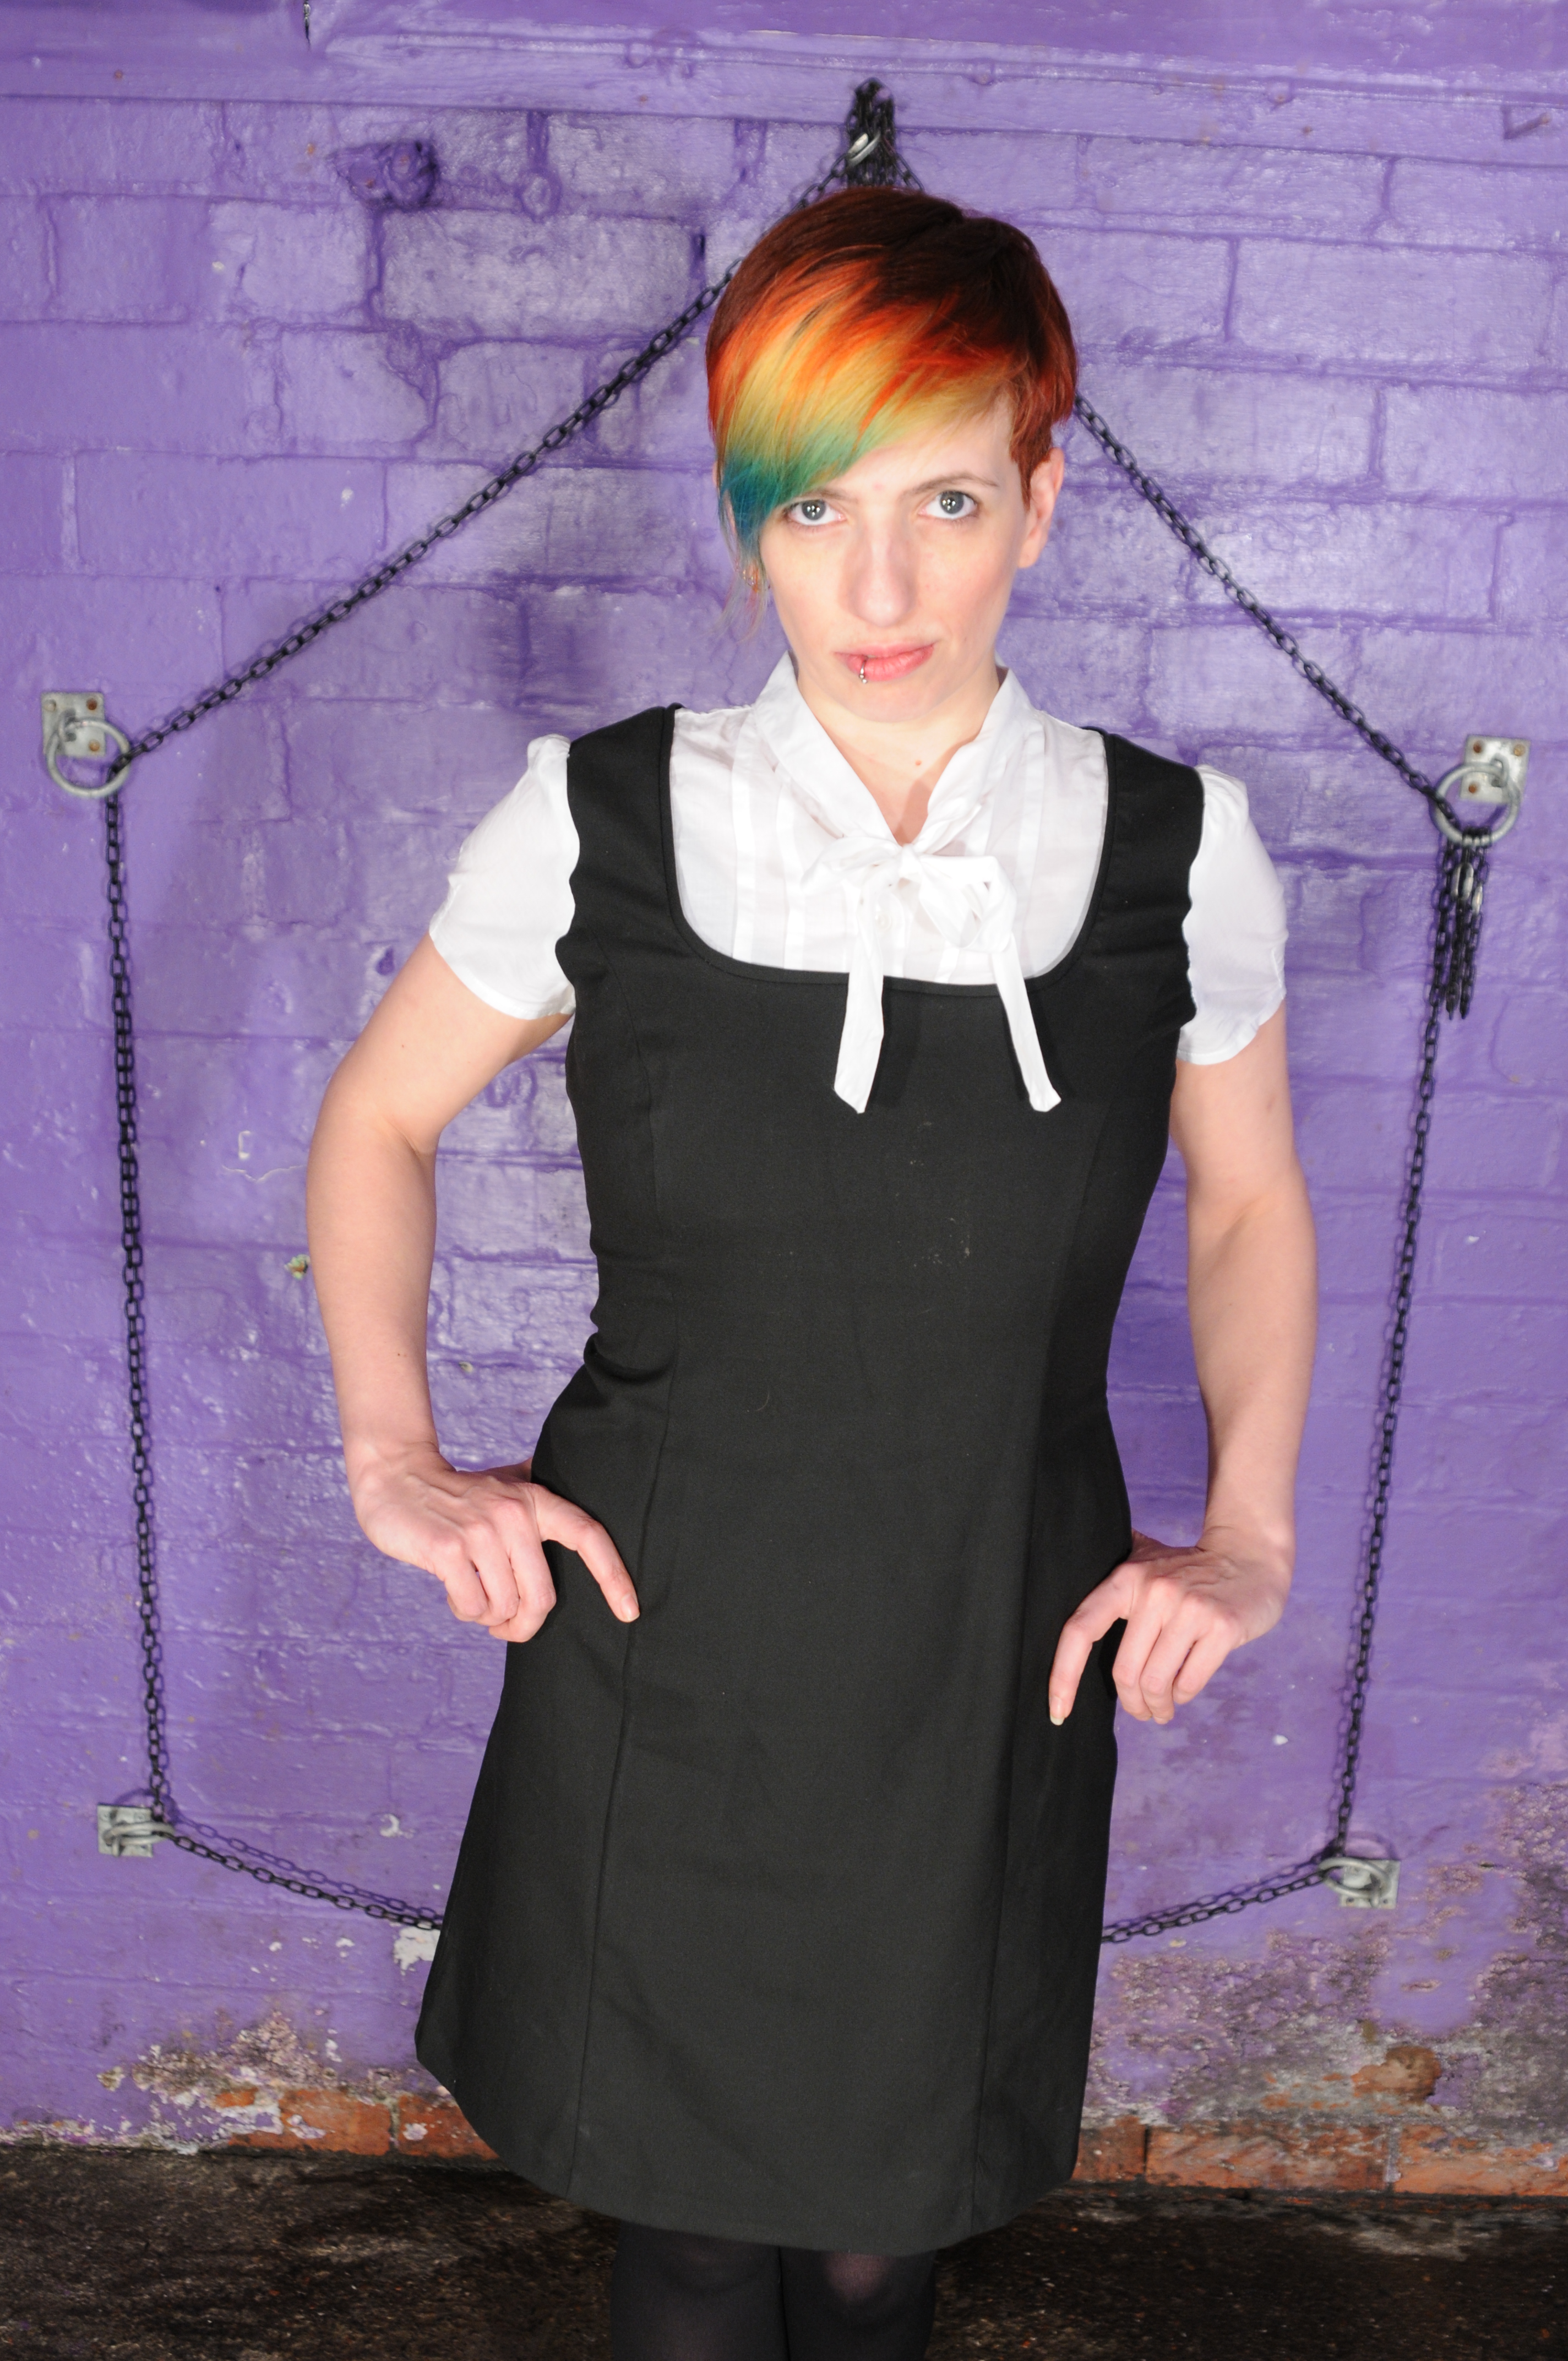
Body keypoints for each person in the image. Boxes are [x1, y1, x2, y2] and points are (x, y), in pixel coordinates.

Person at [307, 188, 1316, 2360]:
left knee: (881, 2245)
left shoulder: (1174, 848)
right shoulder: (602, 818)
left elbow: (1245, 1203)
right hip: (665, 1649)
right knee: (685, 2237)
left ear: (1038, 500)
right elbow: (376, 1117)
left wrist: (1248, 1532)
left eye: (944, 501)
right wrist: (395, 1456)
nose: (877, 588)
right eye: (812, 507)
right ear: (748, 518)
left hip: (986, 1648)